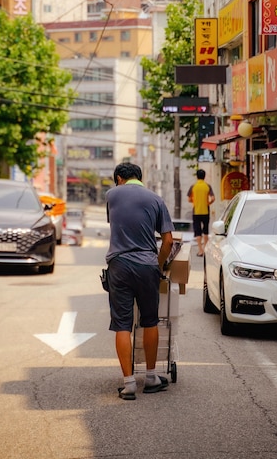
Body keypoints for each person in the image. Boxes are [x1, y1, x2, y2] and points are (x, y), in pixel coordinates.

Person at [105, 162, 174, 400]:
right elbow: (168, 241)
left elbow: (117, 225)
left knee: (122, 324)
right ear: (140, 178)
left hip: (119, 265)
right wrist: (159, 264)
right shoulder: (156, 199)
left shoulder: (112, 195)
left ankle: (129, 383)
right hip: (147, 266)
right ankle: (152, 377)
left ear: (119, 178)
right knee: (150, 320)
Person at [187, 168, 215, 256]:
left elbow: (189, 199)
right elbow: (213, 198)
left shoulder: (193, 187)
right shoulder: (207, 186)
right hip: (206, 211)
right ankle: (206, 249)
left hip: (196, 211)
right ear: (204, 176)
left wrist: (195, 201)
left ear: (197, 177)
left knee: (198, 231)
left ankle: (200, 250)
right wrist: (208, 203)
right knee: (205, 230)